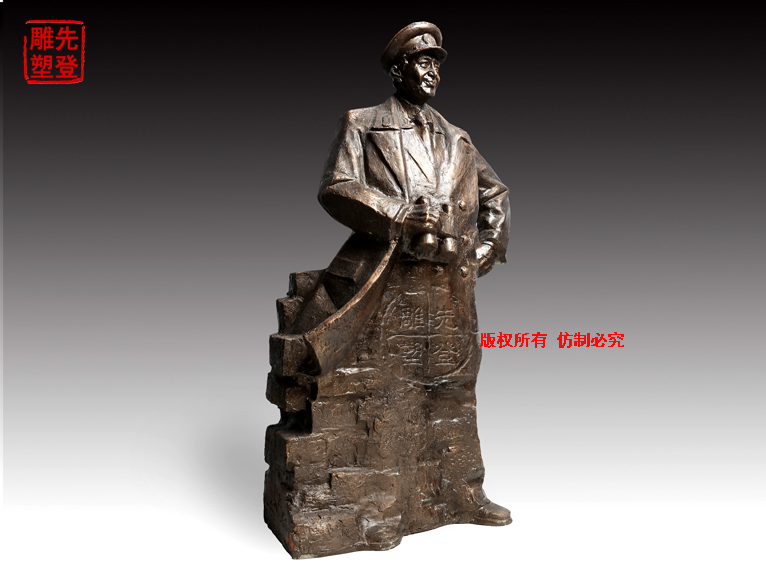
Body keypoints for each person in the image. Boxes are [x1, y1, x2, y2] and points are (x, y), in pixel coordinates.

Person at [265, 22, 511, 557]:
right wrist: (397, 213)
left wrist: (484, 252)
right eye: (422, 62)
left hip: (448, 287)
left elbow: (495, 194)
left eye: (437, 63)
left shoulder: (458, 138)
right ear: (398, 70)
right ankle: (379, 510)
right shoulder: (362, 124)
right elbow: (336, 186)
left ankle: (462, 494)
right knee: (384, 394)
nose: (432, 72)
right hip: (387, 279)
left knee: (454, 387)